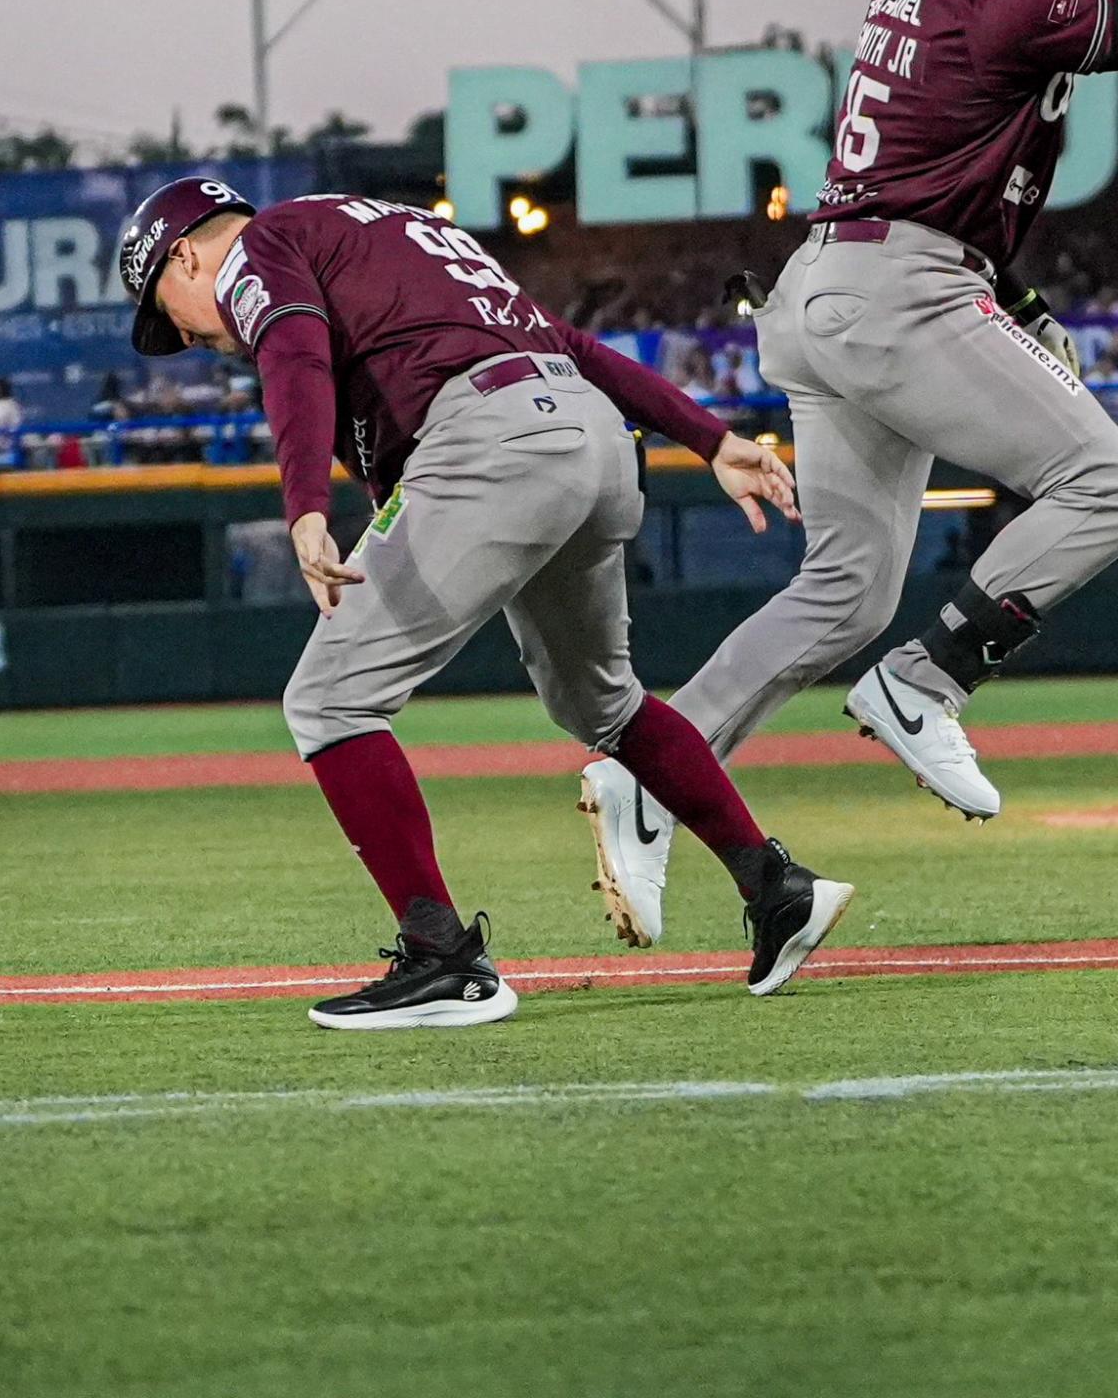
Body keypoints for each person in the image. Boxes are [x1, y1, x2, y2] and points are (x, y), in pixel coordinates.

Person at [580, 0, 1118, 946]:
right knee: (1113, 488)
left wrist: (1015, 293)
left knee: (844, 590)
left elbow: (936, 165)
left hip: (833, 285)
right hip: (896, 292)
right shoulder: (1010, 2)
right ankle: (924, 681)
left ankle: (649, 770)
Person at [118, 178, 853, 1028]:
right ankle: (776, 888)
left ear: (184, 254)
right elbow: (572, 341)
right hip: (590, 436)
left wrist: (304, 505)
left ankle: (442, 959)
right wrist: (709, 436)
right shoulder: (396, 230)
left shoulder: (264, 243)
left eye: (169, 311)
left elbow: (293, 348)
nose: (187, 336)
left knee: (328, 699)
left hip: (493, 440)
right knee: (601, 701)